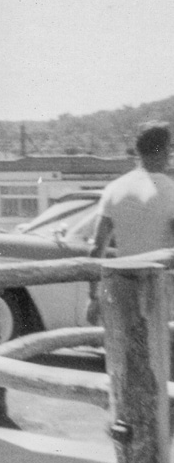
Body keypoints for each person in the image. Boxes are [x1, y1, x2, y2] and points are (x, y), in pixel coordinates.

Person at [88, 121, 174, 322]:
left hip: (123, 290)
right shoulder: (171, 191)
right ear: (165, 151)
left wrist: (93, 296)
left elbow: (96, 248)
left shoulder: (115, 188)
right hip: (161, 293)